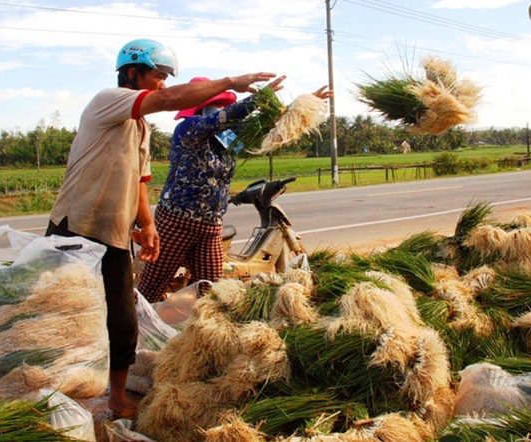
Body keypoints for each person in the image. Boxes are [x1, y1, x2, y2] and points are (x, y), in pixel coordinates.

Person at [45, 38, 276, 419]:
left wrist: (147, 224)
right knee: (63, 314)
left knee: (123, 319)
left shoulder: (141, 128)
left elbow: (139, 179)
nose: (164, 85)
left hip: (117, 234)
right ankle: (50, 390)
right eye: (160, 76)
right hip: (75, 227)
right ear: (132, 73)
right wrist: (232, 80)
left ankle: (117, 396)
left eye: (169, 79)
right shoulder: (109, 101)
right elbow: (176, 103)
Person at [136, 76, 332, 303]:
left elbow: (261, 129)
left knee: (213, 293)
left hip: (210, 224)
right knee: (151, 287)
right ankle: (134, 332)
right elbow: (227, 117)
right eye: (216, 105)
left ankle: (201, 334)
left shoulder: (226, 138)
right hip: (177, 220)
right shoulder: (189, 128)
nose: (220, 109)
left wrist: (301, 107)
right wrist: (258, 99)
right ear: (200, 106)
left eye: (222, 105)